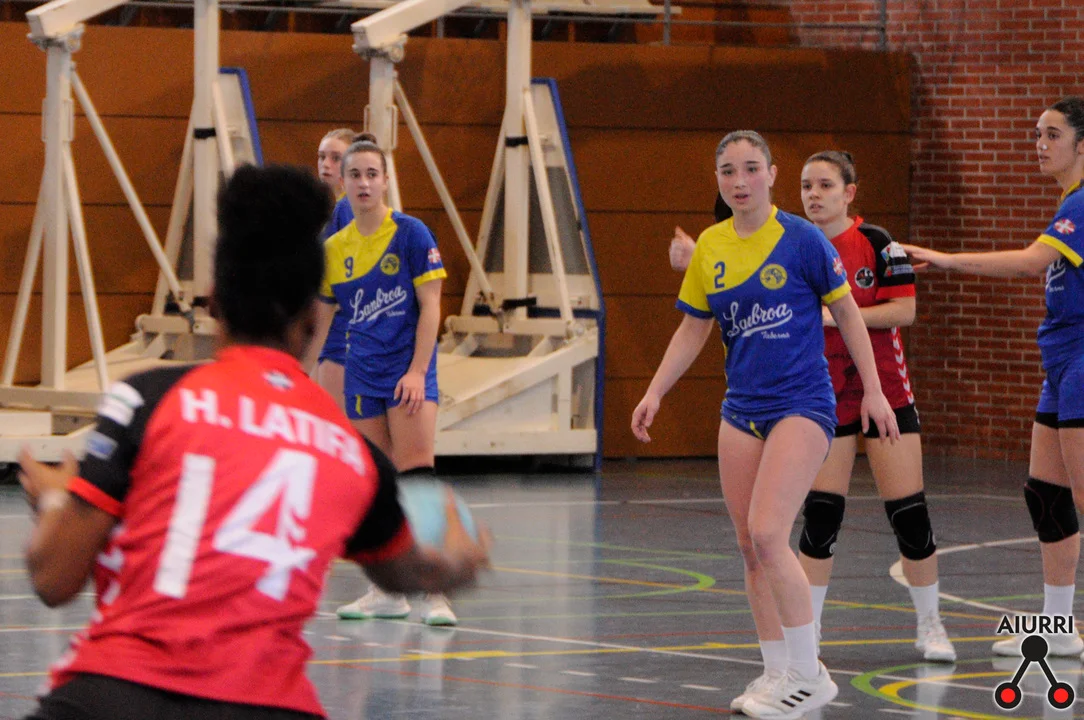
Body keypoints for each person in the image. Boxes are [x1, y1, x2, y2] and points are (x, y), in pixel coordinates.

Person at [17, 164, 490, 720]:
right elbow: (404, 571)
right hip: (268, 705)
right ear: (313, 317)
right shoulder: (352, 452)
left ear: (212, 301)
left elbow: (53, 580)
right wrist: (454, 565)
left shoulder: (147, 401)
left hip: (117, 693)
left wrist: (56, 497)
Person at [633, 130, 899, 719]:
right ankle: (777, 671)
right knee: (749, 547)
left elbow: (848, 314)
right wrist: (654, 390)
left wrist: (876, 392)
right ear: (718, 179)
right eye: (728, 171)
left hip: (803, 404)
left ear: (773, 174)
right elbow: (694, 326)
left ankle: (810, 674)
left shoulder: (801, 239)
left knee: (769, 532)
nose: (740, 181)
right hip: (741, 410)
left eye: (751, 168)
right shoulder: (711, 245)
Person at [905, 96, 1084, 659]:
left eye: (1052, 135)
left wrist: (947, 259)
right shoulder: (1068, 203)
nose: (1040, 144)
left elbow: (1030, 262)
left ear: (1082, 144)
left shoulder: (1083, 205)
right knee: (1047, 495)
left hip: (1082, 360)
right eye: (1037, 133)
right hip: (1060, 360)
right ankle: (1060, 626)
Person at [797, 150, 955, 662]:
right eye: (806, 186)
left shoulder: (879, 243)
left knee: (909, 513)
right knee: (822, 516)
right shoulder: (793, 245)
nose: (814, 194)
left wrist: (836, 317)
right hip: (823, 394)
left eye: (825, 185)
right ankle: (809, 631)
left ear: (849, 192)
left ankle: (930, 624)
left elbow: (904, 310)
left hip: (884, 389)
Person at [302, 137, 454, 626]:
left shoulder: (411, 234)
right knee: (377, 483)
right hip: (362, 374)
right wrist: (296, 377)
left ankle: (435, 593)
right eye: (355, 175)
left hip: (407, 374)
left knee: (417, 475)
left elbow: (431, 307)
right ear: (343, 183)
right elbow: (321, 324)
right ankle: (387, 590)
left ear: (386, 180)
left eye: (372, 174)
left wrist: (417, 371)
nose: (364, 183)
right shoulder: (334, 249)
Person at [314, 128, 357, 412]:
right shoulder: (334, 209)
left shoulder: (347, 208)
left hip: (341, 333)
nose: (326, 164)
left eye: (335, 158)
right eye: (321, 157)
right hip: (331, 330)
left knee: (334, 418)